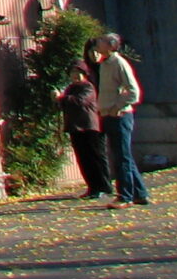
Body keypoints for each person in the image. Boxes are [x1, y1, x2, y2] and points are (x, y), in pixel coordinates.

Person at [90, 33, 151, 206]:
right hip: (108, 115)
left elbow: (134, 92)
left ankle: (125, 196)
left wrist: (117, 106)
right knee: (124, 156)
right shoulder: (104, 64)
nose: (97, 43)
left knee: (121, 157)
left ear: (111, 45)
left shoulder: (119, 63)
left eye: (101, 41)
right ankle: (140, 193)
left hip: (120, 116)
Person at [58, 64, 112, 198]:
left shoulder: (87, 87)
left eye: (79, 72)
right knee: (83, 159)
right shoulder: (70, 88)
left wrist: (62, 98)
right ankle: (92, 187)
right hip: (75, 127)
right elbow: (63, 105)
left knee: (95, 158)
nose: (76, 75)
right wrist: (58, 100)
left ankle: (103, 187)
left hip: (89, 127)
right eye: (73, 72)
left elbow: (81, 101)